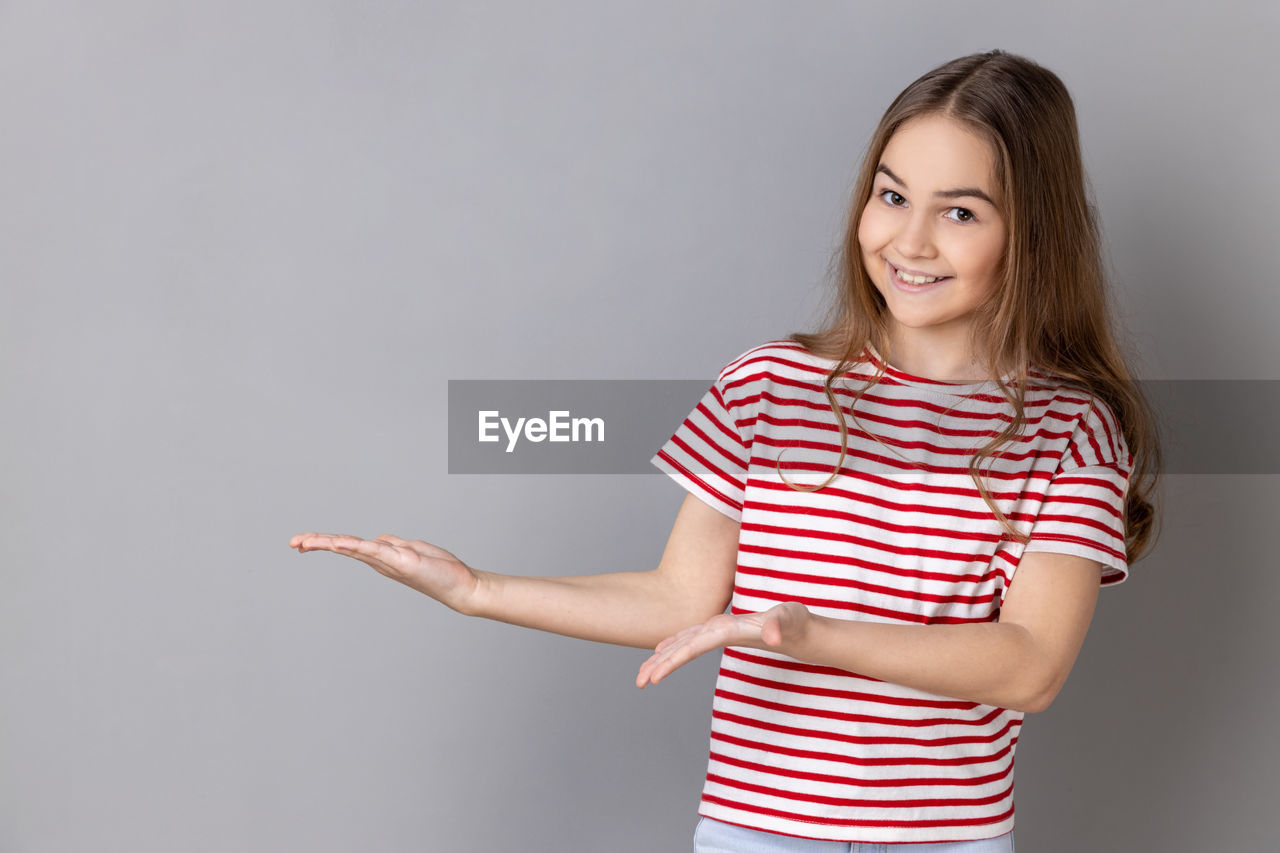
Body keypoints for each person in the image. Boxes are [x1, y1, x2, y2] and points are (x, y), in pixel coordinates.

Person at [289, 49, 1161, 852]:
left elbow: (1031, 665)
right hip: (754, 830)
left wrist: (810, 633)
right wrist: (477, 590)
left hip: (946, 837)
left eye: (960, 212)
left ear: (1031, 236)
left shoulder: (1069, 428)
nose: (908, 242)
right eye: (891, 196)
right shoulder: (767, 386)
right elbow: (682, 597)